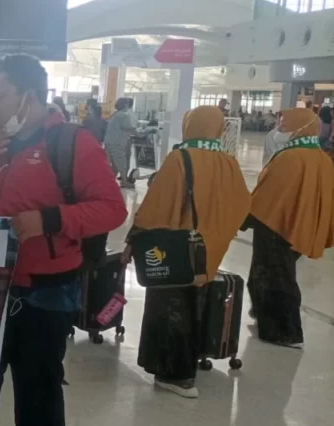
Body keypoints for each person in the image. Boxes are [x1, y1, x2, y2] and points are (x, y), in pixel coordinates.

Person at [0, 54, 126, 425]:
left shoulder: (71, 143)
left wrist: (50, 219)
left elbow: (113, 210)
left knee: (38, 394)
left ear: (29, 97)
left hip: (45, 293)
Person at [125, 106, 250, 399]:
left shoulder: (180, 158)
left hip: (176, 252)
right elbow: (243, 205)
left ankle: (176, 375)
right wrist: (217, 233)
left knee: (172, 308)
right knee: (197, 305)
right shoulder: (229, 162)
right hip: (209, 251)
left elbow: (157, 206)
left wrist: (135, 238)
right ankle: (192, 359)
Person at [247, 108, 334, 349]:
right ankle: (264, 317)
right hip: (298, 225)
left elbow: (269, 194)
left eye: (286, 125)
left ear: (300, 128)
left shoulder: (290, 157)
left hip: (275, 226)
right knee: (277, 274)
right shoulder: (322, 158)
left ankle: (285, 332)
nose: (280, 128)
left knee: (275, 278)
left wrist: (246, 212)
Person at [104, 97, 137, 188]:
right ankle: (124, 182)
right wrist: (139, 132)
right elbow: (128, 127)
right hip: (117, 142)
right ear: (125, 104)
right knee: (121, 162)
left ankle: (110, 181)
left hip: (109, 142)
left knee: (113, 164)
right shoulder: (123, 115)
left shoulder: (115, 114)